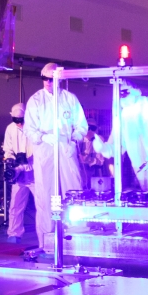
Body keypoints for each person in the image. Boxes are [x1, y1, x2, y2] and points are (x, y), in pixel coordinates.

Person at [23, 63, 88, 255]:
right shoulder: (36, 100)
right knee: (46, 195)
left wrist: (73, 140)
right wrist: (43, 137)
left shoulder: (69, 99)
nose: (48, 83)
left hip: (66, 149)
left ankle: (75, 237)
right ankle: (47, 241)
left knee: (73, 191)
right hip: (45, 150)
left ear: (60, 79)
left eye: (51, 79)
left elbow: (81, 125)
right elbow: (29, 128)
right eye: (45, 79)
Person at [2, 103, 34, 244]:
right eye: (16, 121)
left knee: (42, 205)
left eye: (21, 121)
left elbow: (38, 155)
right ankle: (14, 234)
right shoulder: (10, 128)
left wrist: (24, 166)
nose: (19, 124)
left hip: (35, 175)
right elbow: (8, 148)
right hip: (19, 175)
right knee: (15, 204)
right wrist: (11, 161)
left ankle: (46, 235)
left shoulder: (33, 129)